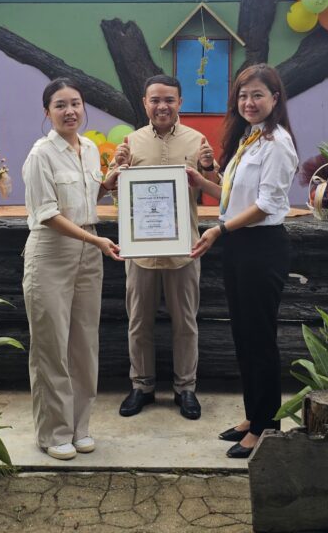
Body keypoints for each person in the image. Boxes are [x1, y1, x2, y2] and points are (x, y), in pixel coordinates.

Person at [189, 64, 298, 459]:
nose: (249, 103)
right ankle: (254, 415)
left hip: (260, 246)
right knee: (244, 336)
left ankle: (267, 424)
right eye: (242, 96)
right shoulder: (251, 139)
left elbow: (267, 205)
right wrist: (202, 182)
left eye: (257, 95)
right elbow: (235, 195)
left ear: (275, 98)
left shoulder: (278, 143)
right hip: (239, 244)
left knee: (260, 338)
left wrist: (219, 230)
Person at [21, 78, 123, 460]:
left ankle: (80, 427)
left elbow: (90, 197)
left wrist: (111, 180)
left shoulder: (92, 148)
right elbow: (46, 214)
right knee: (51, 347)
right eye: (60, 105)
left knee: (84, 344)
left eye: (76, 104)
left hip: (88, 253)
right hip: (51, 254)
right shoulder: (40, 155)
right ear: (47, 112)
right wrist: (95, 240)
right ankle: (54, 433)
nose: (70, 111)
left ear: (84, 108)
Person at [110, 75, 219, 420]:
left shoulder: (197, 141)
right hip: (140, 253)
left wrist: (207, 168)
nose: (162, 106)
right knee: (138, 323)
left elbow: (216, 191)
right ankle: (141, 387)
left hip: (184, 250)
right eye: (155, 100)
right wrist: (117, 169)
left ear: (180, 102)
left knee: (185, 323)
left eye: (169, 100)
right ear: (145, 103)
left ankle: (185, 389)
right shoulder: (131, 142)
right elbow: (117, 196)